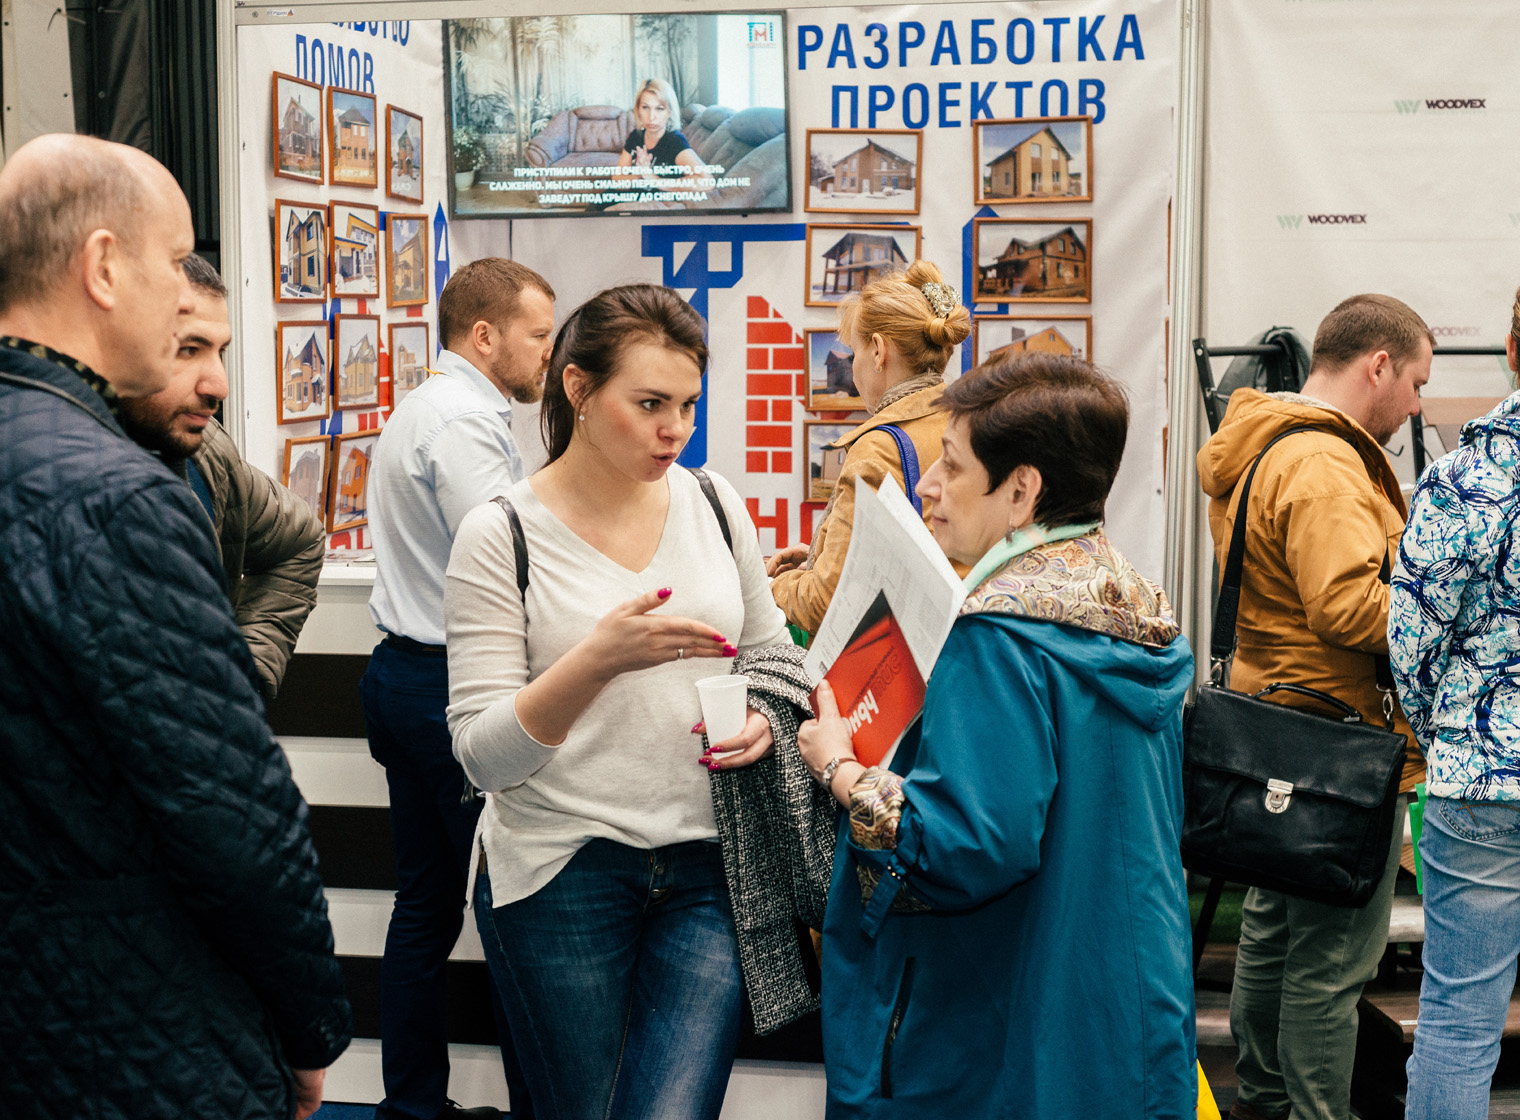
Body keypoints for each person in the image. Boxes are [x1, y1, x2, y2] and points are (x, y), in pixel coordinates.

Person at [0, 134, 351, 1120]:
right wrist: (308, 1026)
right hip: (146, 1042)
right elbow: (234, 817)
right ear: (104, 267)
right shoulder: (120, 496)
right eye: (176, 266)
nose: (185, 302)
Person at [797, 352, 1198, 1118]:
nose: (927, 486)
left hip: (1010, 1002)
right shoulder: (1133, 605)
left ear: (1022, 491)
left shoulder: (999, 635)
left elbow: (967, 843)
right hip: (1123, 984)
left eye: (950, 465)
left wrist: (842, 769)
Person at [445, 284, 788, 1120]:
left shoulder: (715, 505)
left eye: (688, 405)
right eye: (649, 404)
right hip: (560, 868)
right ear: (578, 390)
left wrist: (766, 721)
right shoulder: (501, 534)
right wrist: (595, 662)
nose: (676, 428)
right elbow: (481, 754)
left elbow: (778, 658)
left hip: (709, 863)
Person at [1197, 292, 1433, 1120]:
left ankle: (1262, 1103)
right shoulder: (1328, 464)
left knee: (1272, 939)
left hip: (1278, 739)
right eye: (1413, 383)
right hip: (1340, 752)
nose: (1414, 407)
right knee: (1331, 968)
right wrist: (1440, 616)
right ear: (1377, 366)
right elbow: (1344, 607)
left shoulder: (1267, 440)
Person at [362, 257, 553, 1120]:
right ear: (486, 336)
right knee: (515, 915)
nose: (550, 354)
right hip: (450, 690)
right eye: (539, 335)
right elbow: (512, 566)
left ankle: (411, 1109)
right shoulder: (467, 424)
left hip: (403, 677)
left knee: (425, 909)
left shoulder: (424, 408)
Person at [1390, 286, 1520, 1119]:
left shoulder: (1465, 479)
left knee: (1460, 1020)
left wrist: (1452, 726)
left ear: (1513, 345)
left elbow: (1413, 642)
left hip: (1480, 782)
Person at [117, 252, 325, 700]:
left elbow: (300, 541)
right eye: (188, 350)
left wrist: (242, 679)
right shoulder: (43, 483)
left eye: (220, 351)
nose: (219, 385)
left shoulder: (206, 453)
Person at [767, 261, 971, 633]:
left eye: (854, 351)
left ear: (878, 351)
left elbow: (826, 606)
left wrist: (770, 586)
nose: (853, 366)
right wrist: (819, 556)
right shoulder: (971, 423)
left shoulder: (879, 448)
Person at [615, 78, 704, 174]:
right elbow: (617, 178)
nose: (651, 117)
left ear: (669, 112)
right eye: (645, 107)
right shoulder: (636, 136)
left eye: (659, 108)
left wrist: (653, 178)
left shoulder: (675, 141)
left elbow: (706, 180)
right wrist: (642, 176)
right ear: (638, 109)